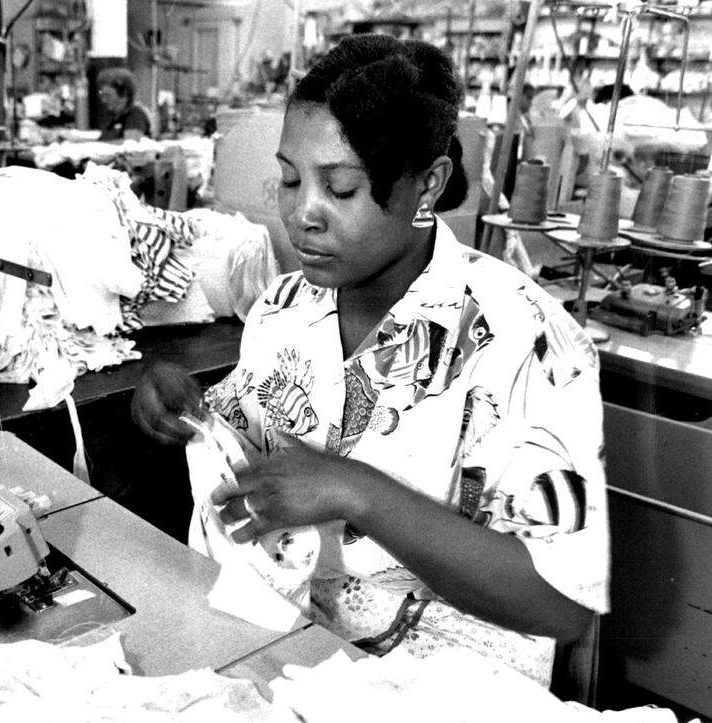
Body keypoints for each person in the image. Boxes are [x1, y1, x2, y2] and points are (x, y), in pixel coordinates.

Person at [132, 34, 608, 684]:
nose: (303, 214)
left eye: (342, 188)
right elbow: (245, 438)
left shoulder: (527, 341)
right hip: (280, 654)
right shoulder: (285, 308)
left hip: (439, 711)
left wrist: (355, 490)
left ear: (427, 186)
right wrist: (186, 409)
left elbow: (561, 604)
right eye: (292, 179)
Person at [96, 68, 150, 140]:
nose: (104, 100)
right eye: (102, 96)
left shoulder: (135, 114)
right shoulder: (113, 118)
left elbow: (131, 143)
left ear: (124, 94)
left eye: (108, 96)